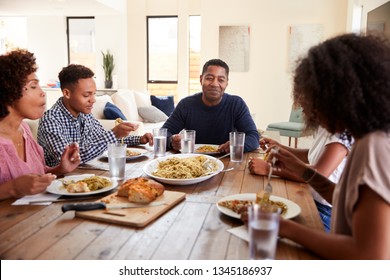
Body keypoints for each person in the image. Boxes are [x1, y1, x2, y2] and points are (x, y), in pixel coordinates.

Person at [268, 33, 390, 259]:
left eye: (310, 97)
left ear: (337, 96)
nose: (304, 106)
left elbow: (370, 257)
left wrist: (284, 227)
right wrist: (300, 168)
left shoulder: (374, 146)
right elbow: (344, 200)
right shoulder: (364, 138)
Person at [0, 49, 80, 200]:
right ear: (9, 91)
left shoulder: (24, 129)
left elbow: (35, 176)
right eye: (33, 86)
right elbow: (19, 184)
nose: (42, 92)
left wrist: (59, 169)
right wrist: (12, 188)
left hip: (34, 220)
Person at [38, 64, 153, 166]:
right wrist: (114, 134)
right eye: (86, 95)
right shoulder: (51, 120)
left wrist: (139, 139)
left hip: (86, 173)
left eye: (94, 94)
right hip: (61, 182)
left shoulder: (85, 114)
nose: (93, 100)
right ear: (67, 93)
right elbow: (69, 160)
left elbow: (102, 139)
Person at [248, 126, 354, 231]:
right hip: (310, 197)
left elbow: (318, 174)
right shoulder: (325, 128)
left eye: (303, 107)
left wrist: (269, 169)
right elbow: (311, 154)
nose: (301, 110)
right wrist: (280, 147)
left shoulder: (341, 136)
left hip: (323, 211)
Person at [162, 59, 259, 153]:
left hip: (226, 159)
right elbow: (164, 133)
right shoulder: (186, 105)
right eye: (209, 78)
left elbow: (253, 137)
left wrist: (236, 144)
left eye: (221, 80)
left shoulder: (236, 104)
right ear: (201, 79)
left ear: (226, 83)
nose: (214, 84)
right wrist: (172, 141)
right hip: (193, 161)